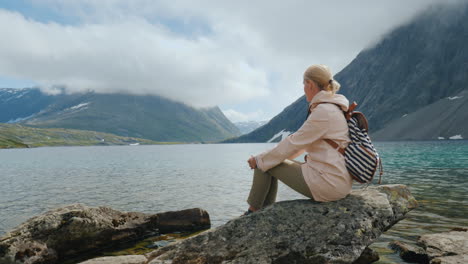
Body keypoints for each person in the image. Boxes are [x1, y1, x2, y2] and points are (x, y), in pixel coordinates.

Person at [244, 64, 352, 215]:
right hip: (337, 180)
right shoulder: (333, 108)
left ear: (310, 84)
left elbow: (293, 143)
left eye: (303, 84)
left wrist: (259, 160)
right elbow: (300, 146)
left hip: (328, 183)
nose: (303, 88)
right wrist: (269, 158)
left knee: (263, 163)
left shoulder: (323, 111)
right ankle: (263, 212)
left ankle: (253, 214)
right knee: (268, 160)